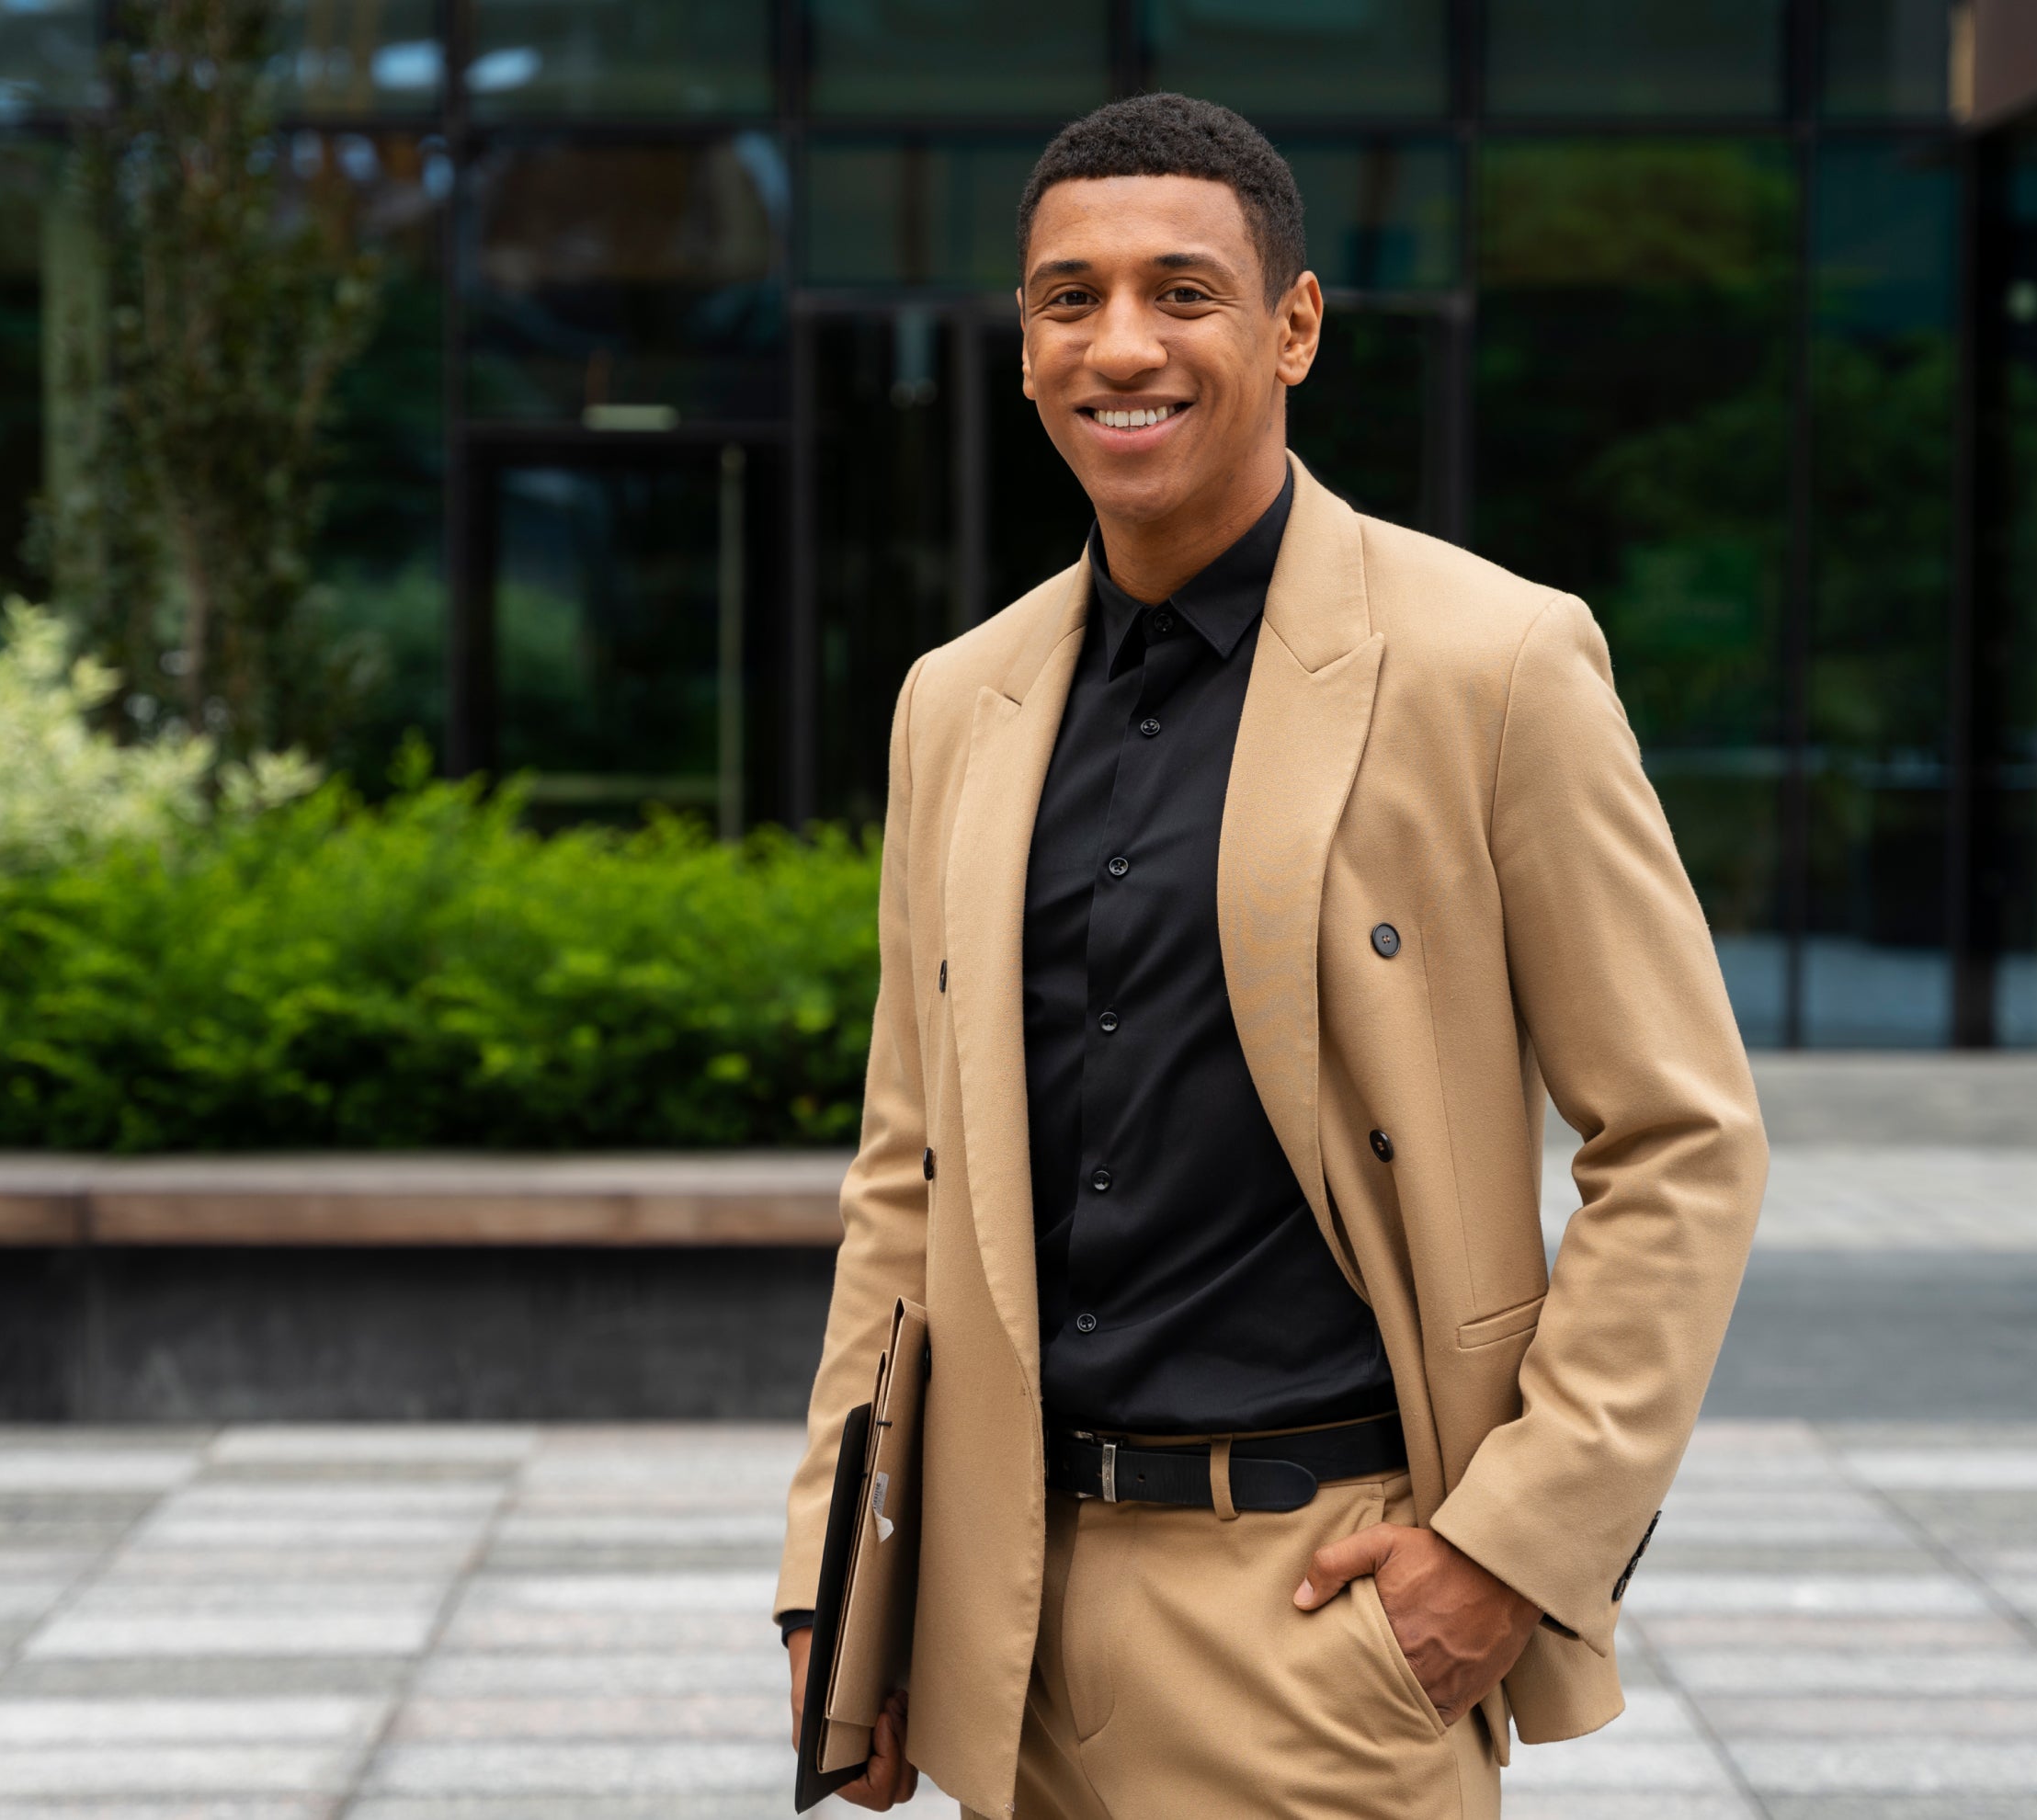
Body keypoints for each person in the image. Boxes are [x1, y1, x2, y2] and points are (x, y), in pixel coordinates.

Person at [775, 92, 1766, 1820]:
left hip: (1319, 1615)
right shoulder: (960, 701)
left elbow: (1684, 1142)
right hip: (1007, 1618)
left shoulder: (1496, 663)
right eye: (1069, 299)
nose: (1121, 345)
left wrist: (1507, 1552)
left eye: (1184, 290)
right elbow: (904, 1180)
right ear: (1022, 349)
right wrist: (840, 1588)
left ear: (1295, 326)